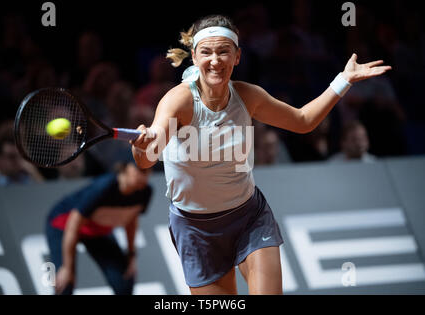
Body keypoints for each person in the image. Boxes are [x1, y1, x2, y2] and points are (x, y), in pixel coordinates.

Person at [130, 15, 391, 294]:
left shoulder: (248, 96)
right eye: (206, 52)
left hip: (248, 218)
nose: (215, 60)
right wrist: (142, 145)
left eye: (223, 51)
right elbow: (146, 159)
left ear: (237, 56)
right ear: (194, 57)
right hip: (195, 230)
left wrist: (344, 79)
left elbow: (303, 120)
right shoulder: (178, 100)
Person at [45, 162, 152, 295]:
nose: (144, 176)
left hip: (97, 229)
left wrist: (131, 256)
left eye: (148, 172)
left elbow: (131, 221)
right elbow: (73, 224)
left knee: (125, 279)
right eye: (140, 170)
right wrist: (67, 268)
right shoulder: (104, 187)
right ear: (125, 168)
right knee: (64, 284)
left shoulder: (145, 192)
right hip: (63, 225)